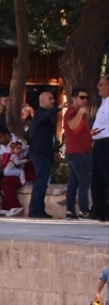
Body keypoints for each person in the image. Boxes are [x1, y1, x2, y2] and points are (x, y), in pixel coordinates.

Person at [24, 91, 59, 219]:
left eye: (53, 98)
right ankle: (35, 209)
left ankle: (39, 209)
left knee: (43, 182)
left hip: (45, 153)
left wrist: (53, 150)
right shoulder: (39, 113)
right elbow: (44, 116)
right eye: (50, 98)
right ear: (42, 101)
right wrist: (59, 108)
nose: (53, 101)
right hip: (39, 154)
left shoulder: (44, 119)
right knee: (40, 181)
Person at [64, 87, 94, 219]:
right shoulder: (73, 112)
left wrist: (91, 134)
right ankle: (84, 211)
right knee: (84, 183)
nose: (85, 100)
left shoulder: (78, 114)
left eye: (87, 98)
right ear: (74, 98)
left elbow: (76, 132)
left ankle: (70, 210)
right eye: (82, 97)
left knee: (74, 183)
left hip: (75, 153)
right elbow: (71, 125)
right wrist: (81, 112)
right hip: (79, 155)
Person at [92, 75, 109, 222]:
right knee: (97, 179)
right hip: (98, 144)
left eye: (101, 84)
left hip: (107, 143)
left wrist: (101, 131)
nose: (99, 87)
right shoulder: (103, 103)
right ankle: (98, 211)